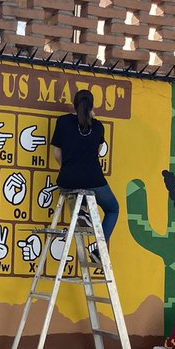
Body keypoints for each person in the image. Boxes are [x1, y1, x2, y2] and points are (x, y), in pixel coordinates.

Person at [50, 88, 118, 264]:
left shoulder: (63, 121)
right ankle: (97, 248)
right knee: (112, 209)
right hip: (93, 180)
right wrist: (92, 116)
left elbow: (57, 154)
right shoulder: (98, 126)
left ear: (74, 104)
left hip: (66, 180)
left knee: (77, 192)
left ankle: (81, 211)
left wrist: (68, 167)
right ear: (91, 106)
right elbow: (95, 152)